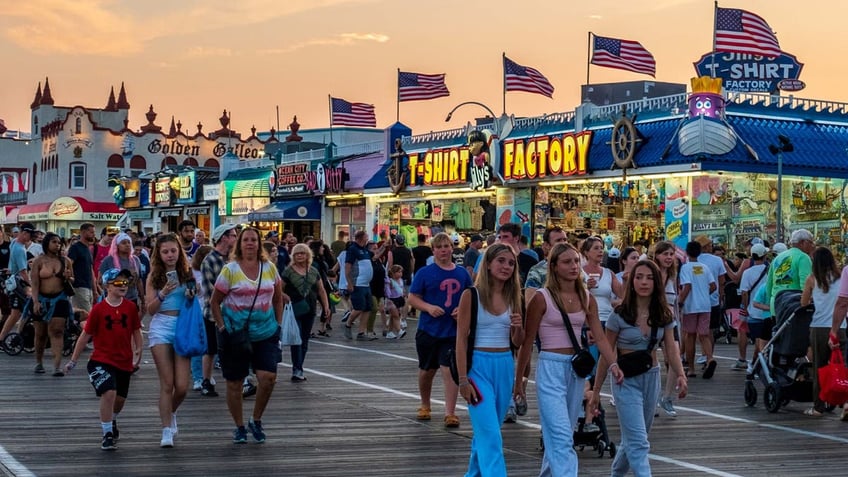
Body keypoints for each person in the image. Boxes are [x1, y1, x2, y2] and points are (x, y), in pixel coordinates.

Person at [515, 242, 621, 476]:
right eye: (567, 262)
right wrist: (519, 381)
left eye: (575, 261)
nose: (574, 266)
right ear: (554, 266)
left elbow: (601, 337)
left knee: (560, 435)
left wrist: (613, 363)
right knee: (562, 435)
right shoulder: (541, 298)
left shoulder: (586, 297)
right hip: (551, 366)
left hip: (576, 370)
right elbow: (527, 343)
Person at [589, 260, 688, 477]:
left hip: (651, 376)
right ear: (631, 281)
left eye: (650, 278)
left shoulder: (663, 314)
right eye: (639, 277)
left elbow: (671, 347)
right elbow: (606, 355)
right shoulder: (619, 315)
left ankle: (616, 474)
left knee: (634, 438)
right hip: (625, 380)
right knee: (639, 441)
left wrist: (680, 374)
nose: (644, 282)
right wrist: (596, 391)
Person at [210, 227, 287, 444]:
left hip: (266, 331)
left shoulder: (270, 268)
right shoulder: (230, 270)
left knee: (268, 378)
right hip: (236, 333)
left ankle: (256, 419)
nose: (250, 243)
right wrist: (223, 327)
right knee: (234, 383)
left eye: (254, 240)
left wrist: (278, 324)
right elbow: (214, 302)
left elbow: (278, 298)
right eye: (246, 240)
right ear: (239, 244)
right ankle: (239, 426)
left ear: (259, 244)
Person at [455, 244, 524, 477]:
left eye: (511, 263)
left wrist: (518, 328)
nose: (506, 267)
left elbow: (518, 341)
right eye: (501, 261)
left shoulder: (515, 296)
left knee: (486, 432)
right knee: (491, 434)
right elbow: (461, 340)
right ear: (488, 264)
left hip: (504, 365)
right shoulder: (470, 295)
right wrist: (463, 380)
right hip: (478, 368)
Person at [64, 268, 142, 451]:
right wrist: (73, 360)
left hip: (124, 360)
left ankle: (112, 419)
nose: (123, 286)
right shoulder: (99, 309)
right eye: (118, 283)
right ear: (107, 286)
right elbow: (85, 336)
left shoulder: (130, 307)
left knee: (120, 399)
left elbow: (136, 330)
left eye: (125, 283)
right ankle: (107, 433)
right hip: (101, 359)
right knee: (109, 392)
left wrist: (138, 350)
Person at [408, 232, 472, 428]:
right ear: (433, 250)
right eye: (440, 247)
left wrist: (462, 310)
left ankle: (450, 412)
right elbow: (412, 298)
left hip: (452, 332)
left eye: (447, 246)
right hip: (429, 329)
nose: (444, 250)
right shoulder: (424, 273)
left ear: (452, 249)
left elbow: (471, 296)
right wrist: (428, 307)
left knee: (449, 369)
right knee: (427, 370)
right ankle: (425, 404)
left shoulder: (462, 273)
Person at [145, 233, 196, 448]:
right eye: (165, 252)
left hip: (182, 326)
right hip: (161, 327)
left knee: (182, 386)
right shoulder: (154, 277)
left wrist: (194, 293)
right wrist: (163, 294)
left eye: (173, 251)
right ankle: (166, 429)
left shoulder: (187, 272)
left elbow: (197, 297)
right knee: (167, 383)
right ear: (159, 254)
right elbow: (150, 310)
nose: (170, 255)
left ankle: (172, 411)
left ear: (179, 252)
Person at [800, 247, 843, 417]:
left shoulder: (812, 279)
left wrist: (812, 299)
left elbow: (803, 304)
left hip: (820, 327)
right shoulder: (842, 278)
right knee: (843, 365)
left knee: (820, 366)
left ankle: (818, 407)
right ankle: (845, 403)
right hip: (842, 327)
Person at [198, 224, 239, 398]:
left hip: (234, 313)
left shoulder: (233, 259)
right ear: (223, 237)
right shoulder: (210, 260)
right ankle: (205, 381)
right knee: (211, 349)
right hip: (213, 313)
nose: (235, 238)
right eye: (233, 235)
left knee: (234, 349)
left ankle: (239, 380)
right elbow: (209, 291)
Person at [282, 243, 329, 382]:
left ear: (308, 255)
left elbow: (321, 290)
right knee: (296, 339)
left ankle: (299, 366)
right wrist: (284, 296)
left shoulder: (313, 271)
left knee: (304, 340)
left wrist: (325, 306)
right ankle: (297, 369)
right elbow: (279, 288)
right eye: (297, 254)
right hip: (294, 309)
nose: (300, 256)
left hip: (310, 308)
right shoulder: (288, 271)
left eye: (302, 253)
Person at [30, 232, 74, 376]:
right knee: (40, 334)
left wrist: (69, 278)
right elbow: (35, 283)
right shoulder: (39, 261)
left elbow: (72, 279)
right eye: (54, 242)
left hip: (59, 299)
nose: (57, 245)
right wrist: (35, 301)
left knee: (57, 331)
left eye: (59, 242)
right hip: (42, 299)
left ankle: (57, 366)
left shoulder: (66, 261)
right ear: (47, 243)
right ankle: (39, 362)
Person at [651, 240, 682, 417]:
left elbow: (675, 302)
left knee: (674, 358)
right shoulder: (650, 273)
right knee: (653, 362)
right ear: (656, 255)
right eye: (665, 254)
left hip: (670, 322)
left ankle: (667, 397)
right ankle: (653, 397)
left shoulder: (672, 275)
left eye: (671, 254)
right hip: (652, 323)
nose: (669, 258)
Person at [678, 241, 718, 379]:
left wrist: (680, 301)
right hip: (705, 306)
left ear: (687, 253)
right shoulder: (704, 267)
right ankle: (710, 359)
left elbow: (687, 287)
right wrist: (703, 295)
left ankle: (691, 369)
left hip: (690, 307)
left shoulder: (685, 268)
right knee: (704, 335)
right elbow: (713, 286)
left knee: (690, 336)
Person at [0, 222, 35, 346]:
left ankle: (9, 336)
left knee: (20, 311)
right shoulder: (20, 249)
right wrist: (31, 285)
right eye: (30, 235)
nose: (31, 238)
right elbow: (23, 272)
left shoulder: (14, 242)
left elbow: (13, 262)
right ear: (25, 234)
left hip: (12, 279)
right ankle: (3, 337)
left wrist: (11, 268)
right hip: (18, 283)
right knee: (17, 312)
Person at [765, 229, 814, 314]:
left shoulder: (778, 258)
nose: (812, 245)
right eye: (810, 242)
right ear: (803, 242)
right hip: (794, 307)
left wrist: (770, 303)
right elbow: (806, 286)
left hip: (776, 305)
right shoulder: (803, 257)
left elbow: (769, 284)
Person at [580, 236, 624, 325]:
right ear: (586, 252)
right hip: (588, 320)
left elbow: (623, 294)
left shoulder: (608, 273)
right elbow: (573, 297)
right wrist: (586, 288)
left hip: (608, 319)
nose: (600, 251)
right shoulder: (579, 273)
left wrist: (626, 280)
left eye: (601, 248)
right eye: (596, 248)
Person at [189, 245, 214, 393]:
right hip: (197, 311)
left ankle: (207, 374)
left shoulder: (213, 270)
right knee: (198, 346)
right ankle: (198, 377)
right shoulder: (192, 272)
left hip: (211, 311)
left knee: (211, 346)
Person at [99, 232, 144, 310]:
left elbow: (139, 281)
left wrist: (143, 300)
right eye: (123, 243)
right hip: (113, 300)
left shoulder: (135, 260)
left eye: (129, 242)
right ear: (117, 245)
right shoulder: (108, 260)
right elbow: (100, 281)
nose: (127, 245)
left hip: (132, 298)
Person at [67, 222, 96, 324]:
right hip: (79, 286)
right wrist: (71, 279)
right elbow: (69, 264)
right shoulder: (75, 248)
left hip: (88, 287)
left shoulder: (87, 249)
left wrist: (95, 289)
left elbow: (90, 270)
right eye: (91, 232)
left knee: (86, 317)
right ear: (83, 232)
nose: (93, 234)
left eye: (94, 232)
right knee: (87, 317)